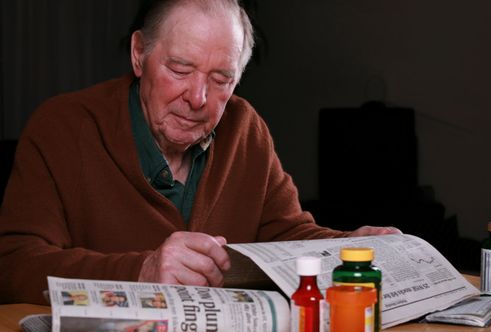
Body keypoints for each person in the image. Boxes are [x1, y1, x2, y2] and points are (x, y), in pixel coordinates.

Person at [0, 0, 399, 305]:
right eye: (179, 69)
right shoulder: (62, 126)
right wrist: (141, 272)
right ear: (139, 54)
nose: (199, 98)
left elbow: (287, 236)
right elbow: (14, 265)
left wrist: (353, 245)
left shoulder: (245, 127)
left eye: (221, 78)